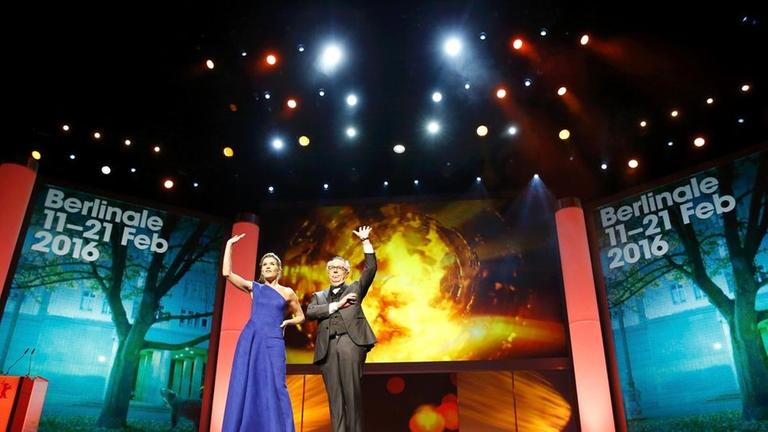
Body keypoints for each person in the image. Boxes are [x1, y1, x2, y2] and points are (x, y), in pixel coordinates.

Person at [221, 233, 304, 432]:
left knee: (277, 384)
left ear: (279, 269)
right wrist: (229, 245)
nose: (267, 267)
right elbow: (227, 273)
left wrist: (288, 322)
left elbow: (301, 316)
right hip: (251, 338)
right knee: (247, 381)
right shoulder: (254, 288)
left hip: (274, 340)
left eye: (271, 264)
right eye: (264, 264)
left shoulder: (288, 292)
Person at [306, 226, 377, 432]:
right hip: (327, 348)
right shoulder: (319, 296)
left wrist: (365, 241)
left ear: (346, 273)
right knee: (334, 398)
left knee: (352, 393)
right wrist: (336, 305)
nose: (335, 271)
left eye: (339, 268)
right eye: (332, 268)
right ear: (328, 273)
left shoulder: (355, 288)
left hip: (350, 343)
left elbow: (370, 269)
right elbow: (310, 312)